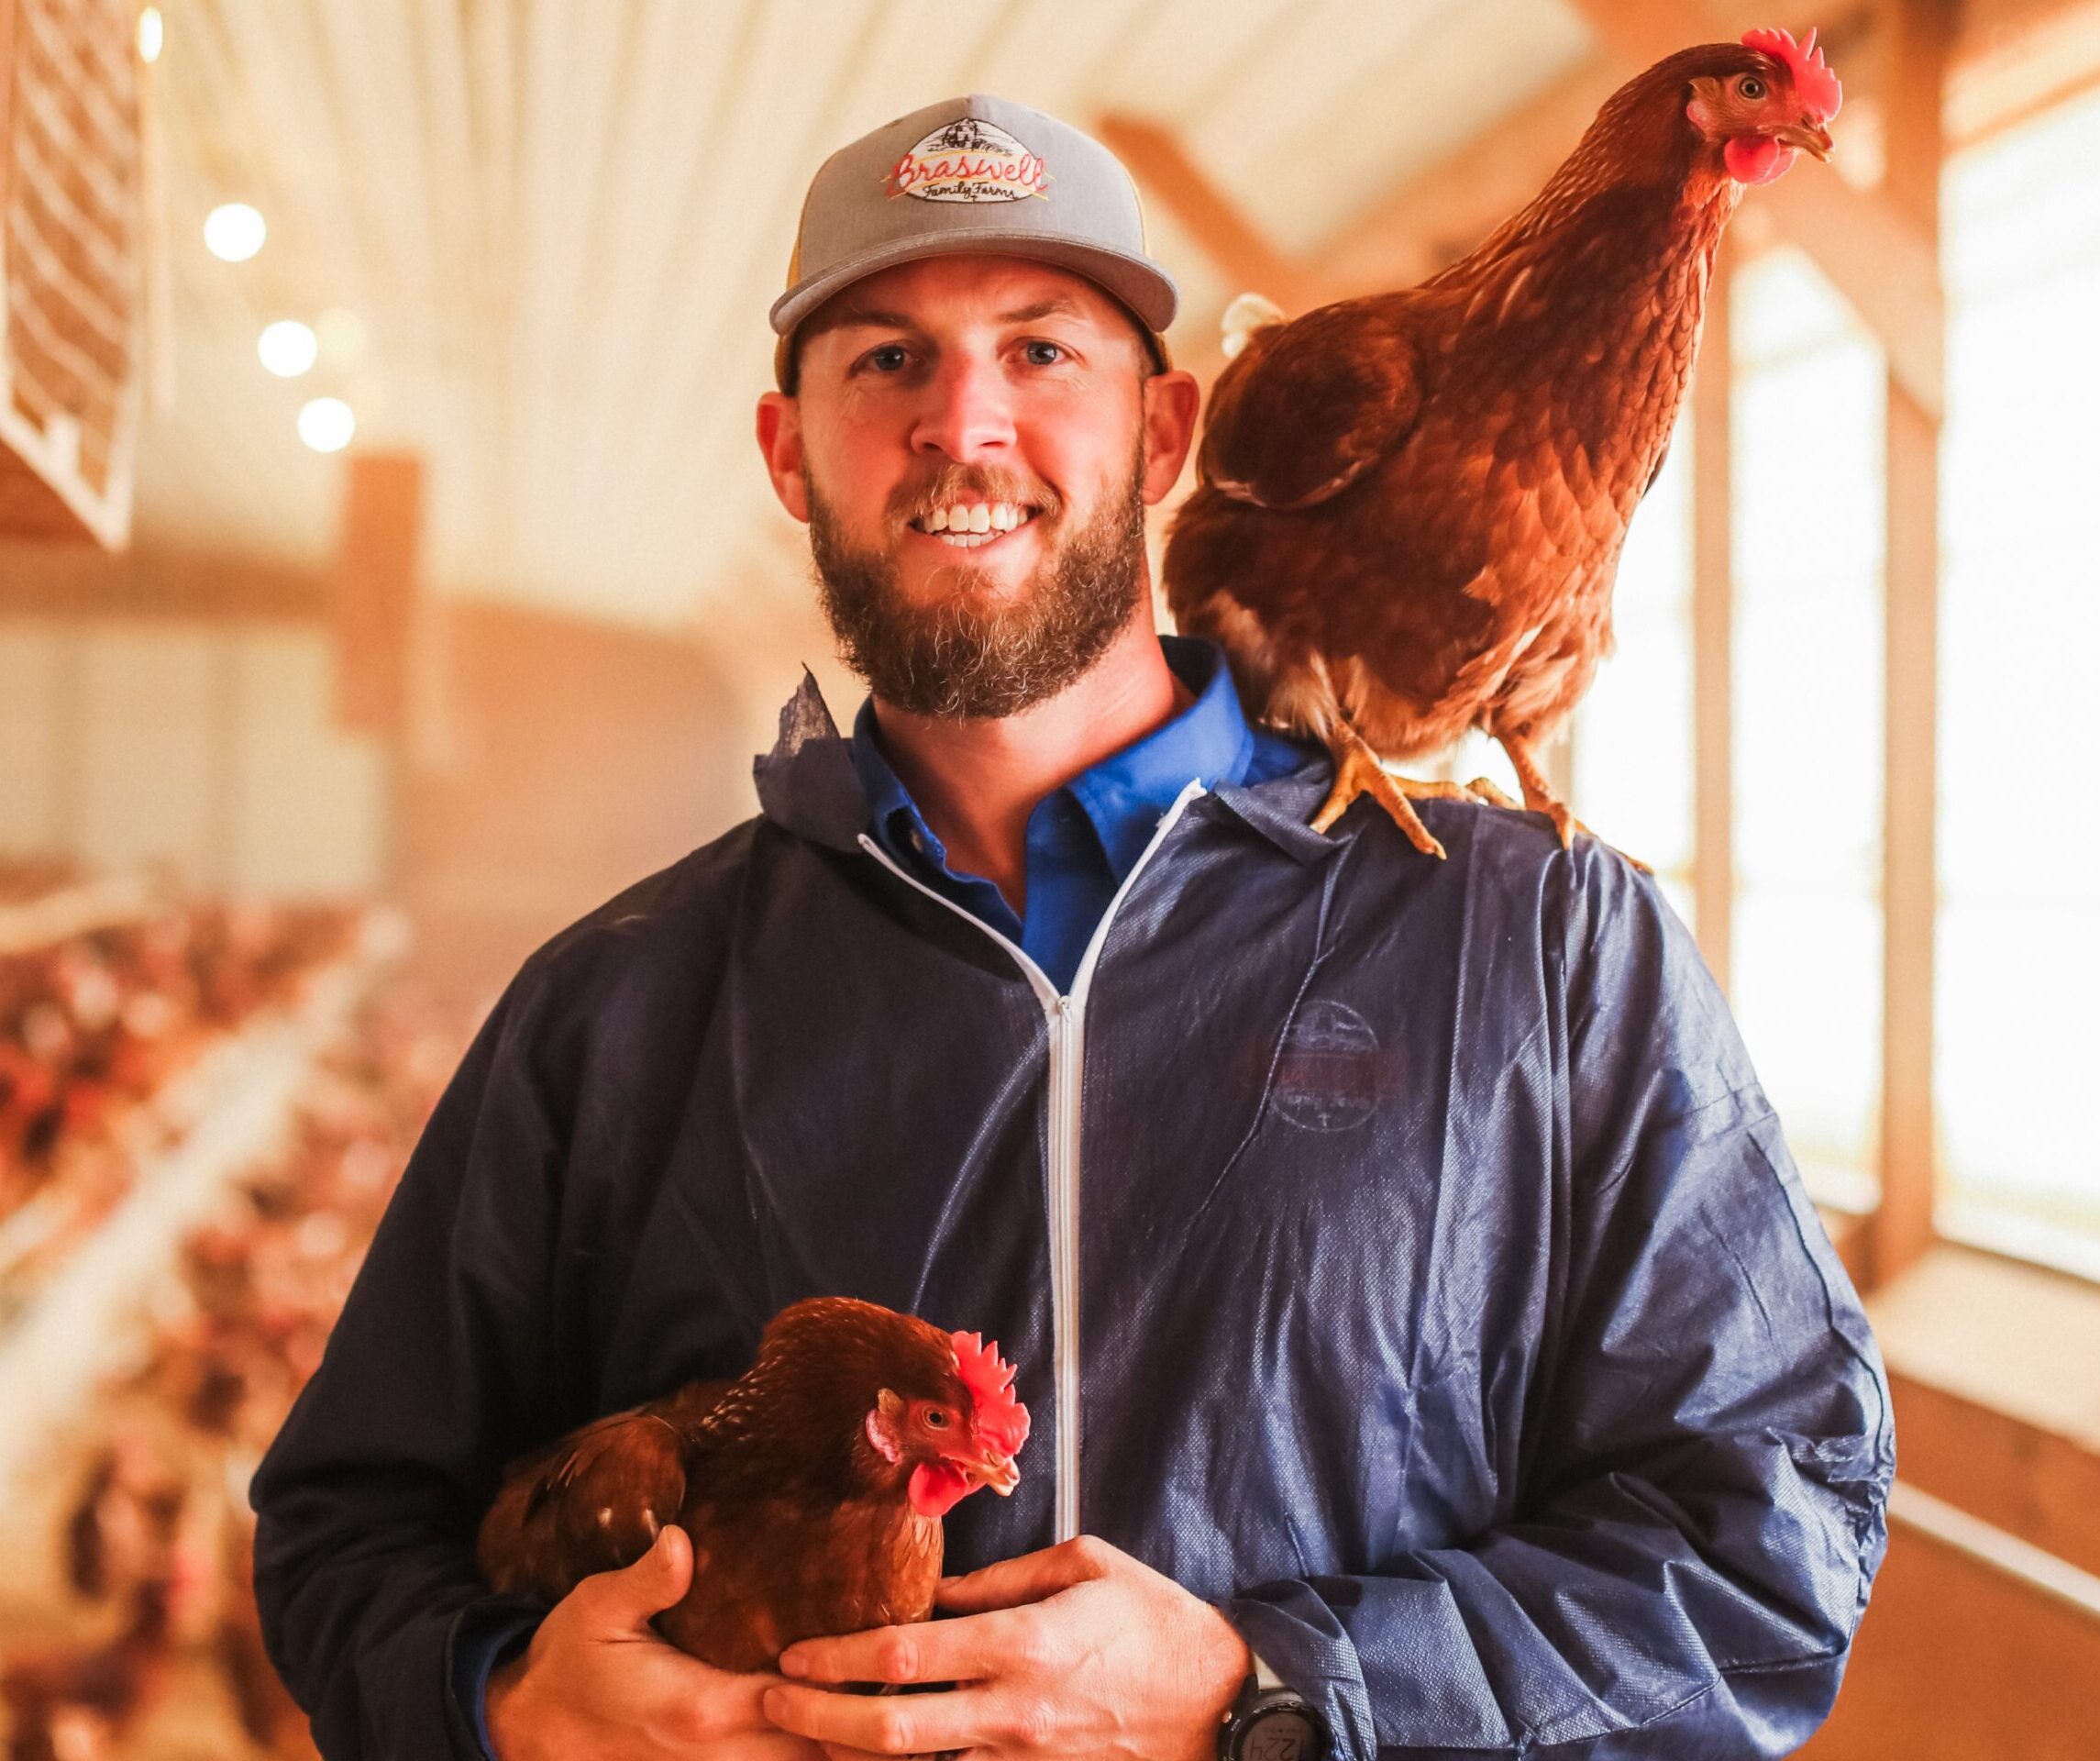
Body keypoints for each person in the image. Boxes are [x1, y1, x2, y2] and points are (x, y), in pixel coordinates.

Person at [253, 94, 1893, 1761]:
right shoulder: (617, 1004)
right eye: (886, 360)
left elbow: (1772, 1535)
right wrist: (503, 1700)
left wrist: (1272, 1695)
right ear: (786, 449)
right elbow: (344, 1529)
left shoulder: (1542, 949)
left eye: (1040, 354)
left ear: (1166, 438)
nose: (964, 424)